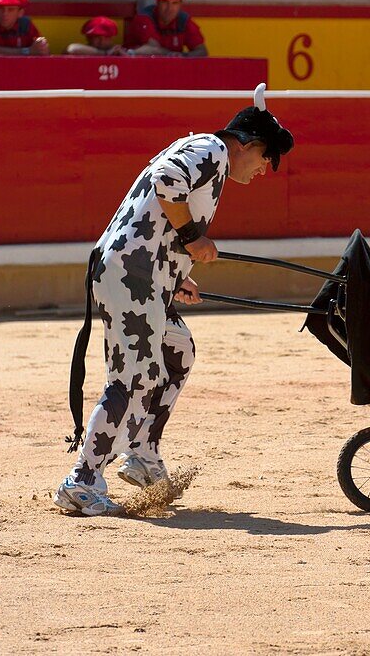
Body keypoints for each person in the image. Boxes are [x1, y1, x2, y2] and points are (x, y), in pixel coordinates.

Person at [54, 85, 295, 516]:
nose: (263, 170)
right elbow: (167, 182)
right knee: (133, 378)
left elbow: (158, 214)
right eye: (265, 160)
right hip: (132, 276)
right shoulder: (212, 149)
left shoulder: (211, 157)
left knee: (178, 350)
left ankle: (143, 453)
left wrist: (179, 275)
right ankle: (83, 480)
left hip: (144, 276)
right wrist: (193, 238)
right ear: (250, 145)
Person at [126, 0, 208, 56]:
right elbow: (153, 49)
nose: (169, 8)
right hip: (138, 67)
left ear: (180, 5)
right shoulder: (144, 18)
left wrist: (182, 56)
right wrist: (174, 55)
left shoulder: (184, 20)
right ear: (157, 3)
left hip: (170, 68)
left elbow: (202, 51)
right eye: (165, 2)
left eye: (174, 3)